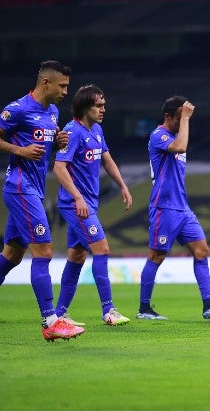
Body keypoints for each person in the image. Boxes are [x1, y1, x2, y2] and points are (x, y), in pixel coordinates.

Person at [0, 60, 84, 342]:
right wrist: (19, 150)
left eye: (67, 86)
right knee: (44, 251)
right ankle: (51, 321)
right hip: (20, 188)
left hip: (33, 189)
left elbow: (43, 145)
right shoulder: (18, 109)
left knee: (12, 254)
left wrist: (57, 141)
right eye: (62, 86)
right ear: (45, 83)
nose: (65, 91)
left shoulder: (51, 112)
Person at [137, 95, 210, 321]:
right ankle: (144, 309)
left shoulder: (176, 134)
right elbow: (181, 145)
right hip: (164, 207)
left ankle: (209, 305)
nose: (183, 121)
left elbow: (181, 143)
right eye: (179, 118)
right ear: (168, 117)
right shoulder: (158, 135)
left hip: (182, 208)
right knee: (156, 255)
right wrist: (186, 118)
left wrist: (182, 120)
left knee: (201, 251)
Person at [52, 84, 133, 327]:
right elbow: (58, 167)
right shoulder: (71, 132)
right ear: (85, 107)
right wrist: (77, 197)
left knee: (77, 256)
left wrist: (123, 185)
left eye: (104, 105)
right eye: (99, 105)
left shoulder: (96, 130)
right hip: (76, 205)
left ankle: (59, 314)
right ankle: (109, 310)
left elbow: (107, 160)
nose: (103, 109)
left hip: (89, 204)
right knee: (102, 249)